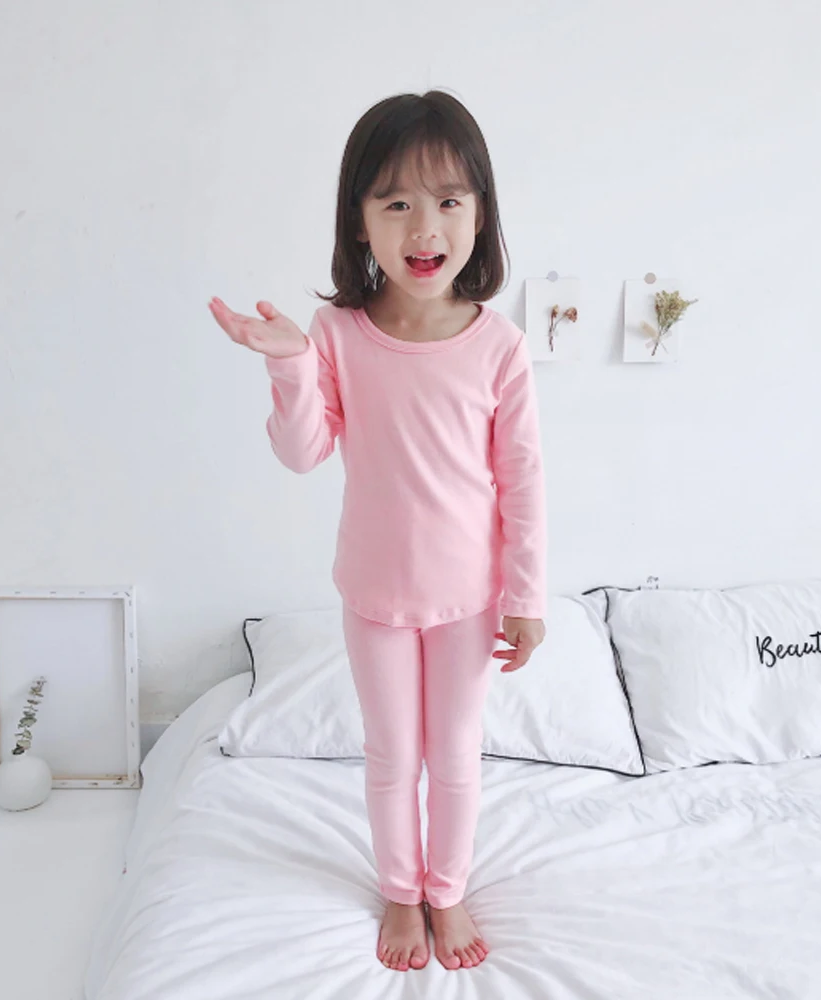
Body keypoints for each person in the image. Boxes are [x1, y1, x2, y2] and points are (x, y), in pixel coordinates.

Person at [208, 89, 547, 974]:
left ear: (481, 215)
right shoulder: (337, 333)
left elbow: (522, 482)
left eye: (448, 200)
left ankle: (449, 887)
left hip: (469, 600)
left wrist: (527, 597)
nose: (423, 227)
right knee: (393, 754)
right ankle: (402, 889)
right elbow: (302, 452)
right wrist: (291, 364)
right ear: (358, 221)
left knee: (456, 756)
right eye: (395, 202)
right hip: (374, 593)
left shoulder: (500, 346)